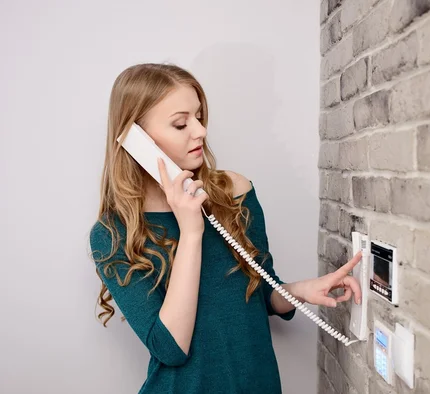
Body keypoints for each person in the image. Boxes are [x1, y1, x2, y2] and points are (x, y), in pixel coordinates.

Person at [89, 63, 363, 394]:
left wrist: (301, 291)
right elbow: (170, 349)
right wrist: (191, 233)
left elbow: (262, 294)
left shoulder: (234, 192)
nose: (200, 131)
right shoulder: (113, 234)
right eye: (180, 123)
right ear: (136, 140)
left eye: (199, 116)